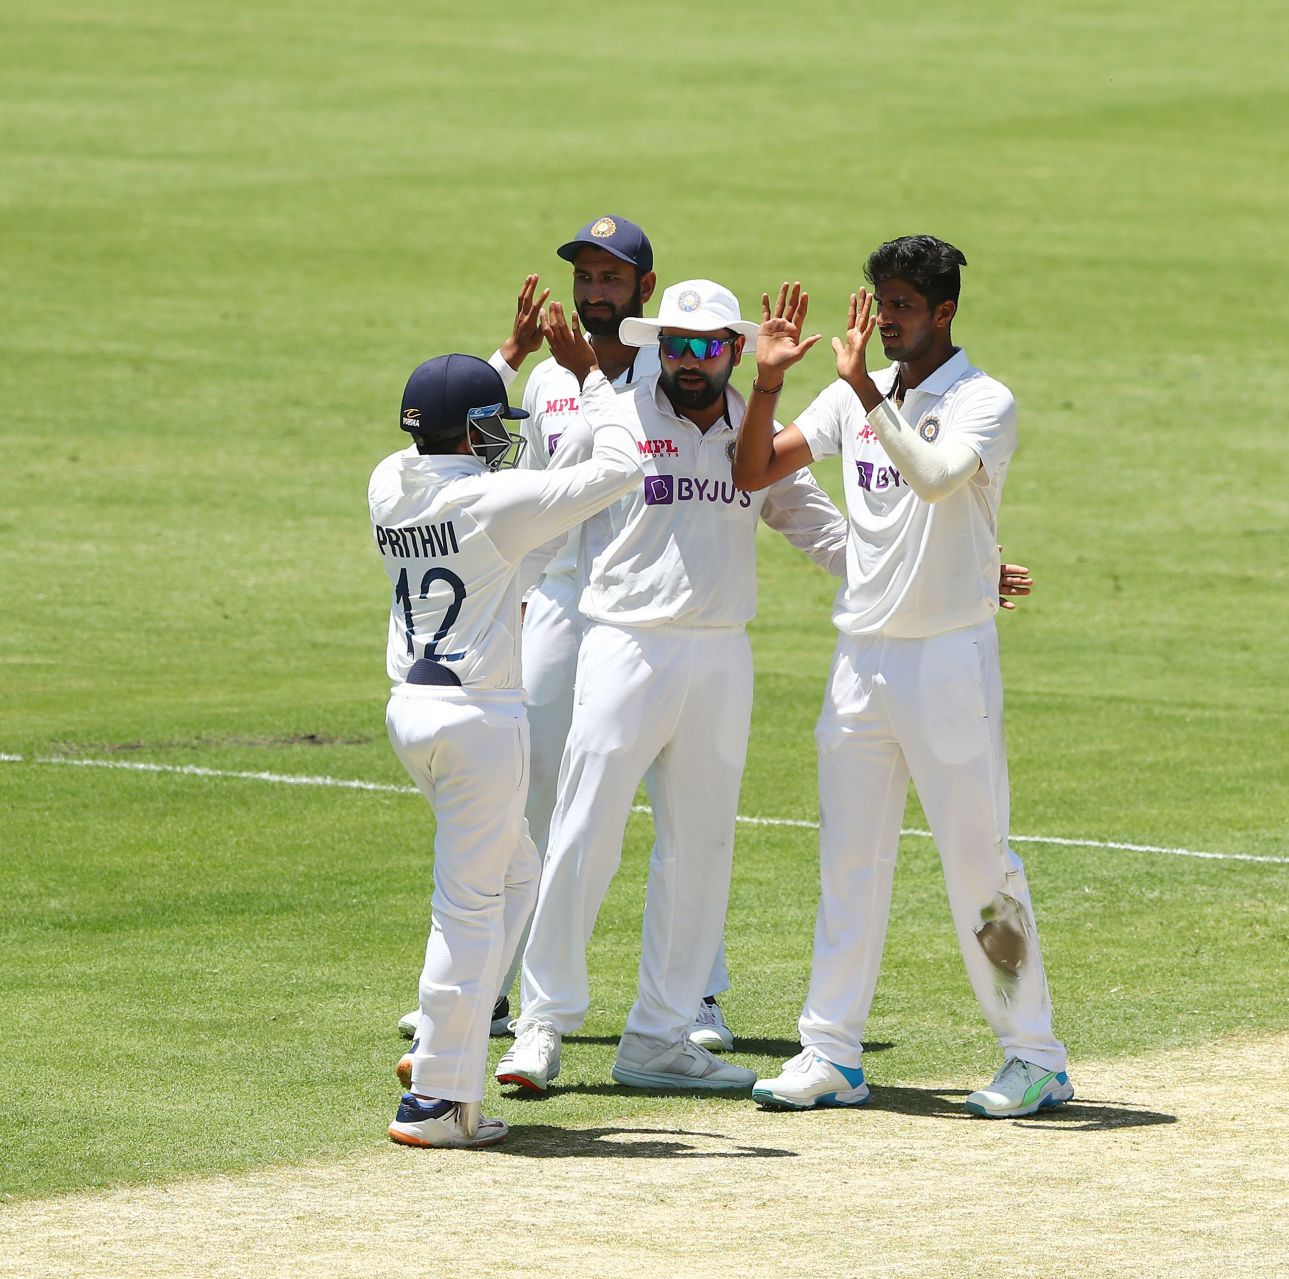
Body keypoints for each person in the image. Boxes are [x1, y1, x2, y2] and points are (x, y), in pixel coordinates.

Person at [732, 236, 1072, 1119]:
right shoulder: (861, 393)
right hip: (860, 660)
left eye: (905, 308)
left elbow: (931, 479)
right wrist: (767, 381)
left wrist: (856, 392)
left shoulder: (983, 401)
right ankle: (831, 1052)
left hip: (948, 659)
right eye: (882, 304)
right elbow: (754, 471)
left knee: (979, 865)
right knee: (848, 861)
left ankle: (1035, 1054)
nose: (887, 322)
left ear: (946, 310)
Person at [493, 279, 848, 1094]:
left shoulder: (750, 434)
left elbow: (819, 529)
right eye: (678, 346)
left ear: (734, 350)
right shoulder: (618, 414)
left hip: (721, 654)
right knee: (585, 831)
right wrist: (506, 607)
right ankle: (541, 1026)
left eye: (709, 347)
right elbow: (548, 511)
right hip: (625, 643)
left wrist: (947, 577)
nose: (691, 363)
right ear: (659, 346)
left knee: (701, 848)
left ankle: (658, 1034)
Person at [395, 216, 735, 1050]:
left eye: (611, 278)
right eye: (585, 277)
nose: (594, 291)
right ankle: (495, 991)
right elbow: (477, 458)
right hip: (554, 602)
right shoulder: (550, 379)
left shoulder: (682, 370)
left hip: (647, 613)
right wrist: (510, 356)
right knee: (530, 791)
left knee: (679, 807)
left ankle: (696, 998)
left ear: (643, 290)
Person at [373, 315, 646, 1148]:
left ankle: (436, 1041)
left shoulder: (387, 481)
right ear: (471, 431)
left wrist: (505, 361)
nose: (503, 438)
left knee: (515, 879)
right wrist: (592, 377)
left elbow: (460, 437)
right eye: (492, 424)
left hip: (411, 713)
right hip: (478, 721)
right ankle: (436, 1101)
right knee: (467, 908)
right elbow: (620, 465)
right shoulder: (494, 503)